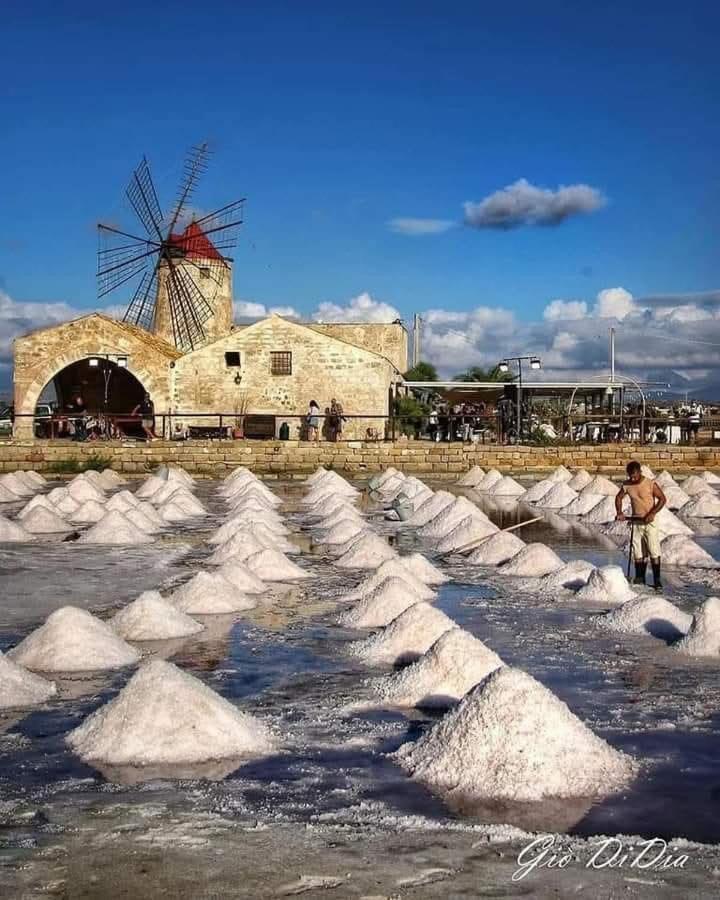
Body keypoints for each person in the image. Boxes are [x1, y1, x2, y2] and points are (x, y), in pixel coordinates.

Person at [615, 460, 666, 590]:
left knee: (653, 550)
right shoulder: (627, 485)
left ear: (640, 472)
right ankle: (640, 578)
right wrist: (620, 512)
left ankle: (657, 580)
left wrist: (652, 513)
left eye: (635, 475)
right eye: (630, 476)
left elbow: (662, 499)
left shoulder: (650, 483)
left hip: (650, 522)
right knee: (638, 553)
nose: (633, 478)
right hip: (636, 522)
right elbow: (618, 497)